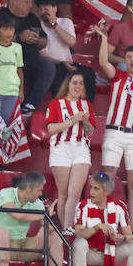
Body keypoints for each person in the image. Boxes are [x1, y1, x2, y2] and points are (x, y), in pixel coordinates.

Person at [96, 32, 133, 212]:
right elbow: (102, 62)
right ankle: (101, 217)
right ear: (124, 60)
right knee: (107, 177)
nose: (132, 60)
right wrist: (105, 39)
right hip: (114, 132)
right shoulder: (118, 76)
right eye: (128, 57)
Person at [0, 171, 65, 266]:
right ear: (28, 188)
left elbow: (47, 226)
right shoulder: (6, 193)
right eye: (39, 190)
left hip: (21, 247)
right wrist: (44, 215)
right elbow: (17, 214)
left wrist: (45, 226)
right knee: (3, 231)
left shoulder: (37, 203)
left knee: (55, 237)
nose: (41, 194)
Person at [71, 173, 133, 266]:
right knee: (79, 243)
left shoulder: (119, 205)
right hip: (90, 253)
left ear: (107, 191)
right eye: (91, 188)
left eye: (96, 189)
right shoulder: (83, 205)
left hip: (111, 251)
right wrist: (96, 227)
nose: (91, 192)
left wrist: (122, 239)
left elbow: (129, 235)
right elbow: (79, 233)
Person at [0, 0, 53, 116]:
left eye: (30, 2)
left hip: (30, 60)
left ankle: (28, 105)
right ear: (15, 2)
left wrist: (37, 40)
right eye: (26, 2)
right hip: (7, 60)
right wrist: (19, 37)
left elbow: (45, 42)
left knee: (49, 67)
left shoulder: (32, 18)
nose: (30, 5)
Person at [45, 70, 92, 241]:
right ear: (68, 85)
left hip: (81, 148)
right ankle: (66, 229)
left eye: (80, 83)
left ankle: (68, 227)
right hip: (61, 148)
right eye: (74, 82)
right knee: (64, 192)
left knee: (75, 190)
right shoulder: (56, 104)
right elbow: (51, 129)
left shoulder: (87, 105)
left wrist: (85, 121)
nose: (78, 86)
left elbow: (91, 131)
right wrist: (72, 120)